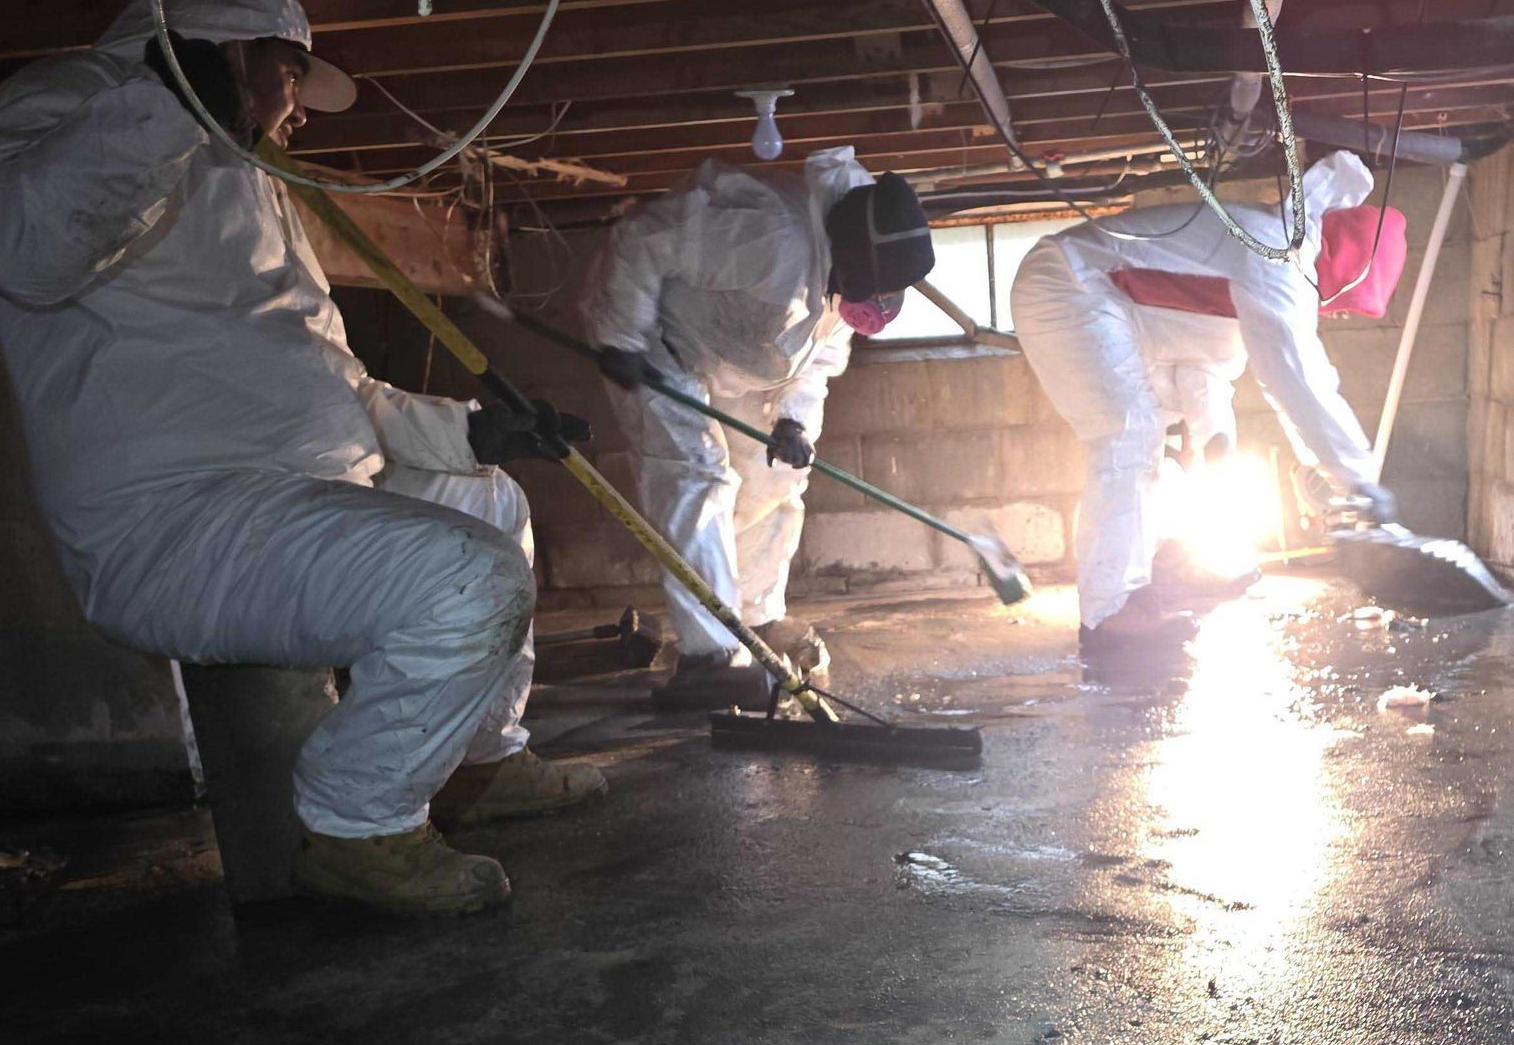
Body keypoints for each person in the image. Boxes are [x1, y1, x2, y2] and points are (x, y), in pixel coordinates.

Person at [0, 0, 606, 916]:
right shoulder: (71, 104)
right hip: (177, 521)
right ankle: (359, 830)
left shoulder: (242, 174)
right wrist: (177, 96)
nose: (298, 118)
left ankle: (479, 763)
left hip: (281, 491)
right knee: (468, 581)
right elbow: (18, 249)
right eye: (288, 82)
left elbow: (328, 385)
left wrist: (468, 430)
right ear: (233, 56)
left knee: (487, 498)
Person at [579, 151, 934, 708]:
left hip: (741, 363)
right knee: (698, 478)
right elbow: (643, 238)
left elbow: (820, 354)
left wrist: (793, 419)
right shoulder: (772, 237)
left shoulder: (849, 272)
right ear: (852, 254)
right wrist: (622, 336)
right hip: (661, 348)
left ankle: (757, 617)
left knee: (776, 479)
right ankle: (709, 656)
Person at [1009, 152, 1396, 663]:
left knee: (1160, 440)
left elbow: (1204, 371)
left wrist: (1218, 447)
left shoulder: (1274, 260)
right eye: (1343, 306)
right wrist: (1357, 477)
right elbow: (1296, 379)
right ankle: (1110, 613)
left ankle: (1163, 572)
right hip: (1068, 285)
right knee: (1129, 434)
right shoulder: (1276, 260)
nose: (1335, 314)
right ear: (1343, 277)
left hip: (1115, 306)